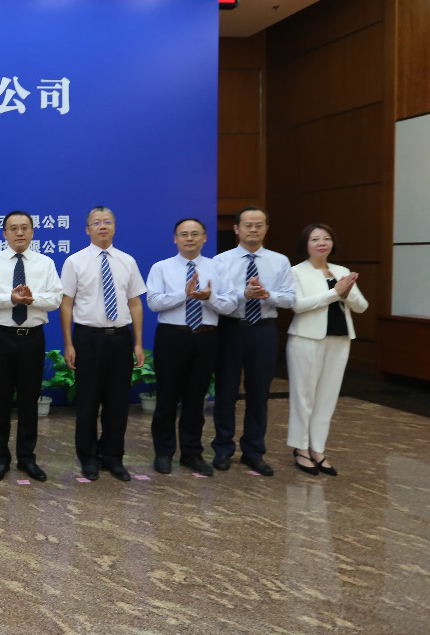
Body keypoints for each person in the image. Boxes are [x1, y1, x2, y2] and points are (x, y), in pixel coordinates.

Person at [60, 207, 146, 482]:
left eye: (107, 222)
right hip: (88, 338)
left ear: (114, 227)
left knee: (117, 402)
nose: (102, 226)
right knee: (88, 402)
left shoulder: (127, 261)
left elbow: (135, 302)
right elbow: (66, 304)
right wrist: (68, 343)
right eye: (96, 223)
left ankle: (113, 457)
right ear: (87, 229)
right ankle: (88, 458)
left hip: (120, 338)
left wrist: (138, 342)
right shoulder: (75, 261)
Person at [144, 218, 235, 477]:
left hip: (205, 337)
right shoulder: (161, 267)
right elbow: (153, 302)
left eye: (195, 234)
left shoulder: (218, 268)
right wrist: (184, 294)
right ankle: (163, 453)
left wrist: (210, 297)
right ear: (175, 239)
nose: (189, 239)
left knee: (196, 399)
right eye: (184, 234)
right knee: (167, 398)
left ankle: (191, 453)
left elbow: (230, 305)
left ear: (204, 237)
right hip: (172, 337)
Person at [0, 211, 64, 483]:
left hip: (32, 338)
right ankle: (0, 459)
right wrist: (11, 299)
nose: (19, 233)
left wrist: (32, 299)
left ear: (32, 232)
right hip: (1, 337)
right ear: (4, 233)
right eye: (13, 228)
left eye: (24, 228)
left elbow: (56, 299)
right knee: (1, 399)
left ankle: (27, 458)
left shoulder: (45, 263)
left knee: (29, 400)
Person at [211, 206, 296, 476]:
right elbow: (216, 297)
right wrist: (243, 294)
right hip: (230, 328)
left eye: (259, 225)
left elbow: (290, 299)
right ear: (236, 228)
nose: (253, 229)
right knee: (226, 391)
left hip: (263, 330)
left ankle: (254, 451)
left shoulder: (280, 261)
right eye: (248, 225)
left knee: (259, 393)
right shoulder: (221, 261)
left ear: (266, 229)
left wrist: (268, 295)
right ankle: (223, 448)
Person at [286, 224, 368, 477]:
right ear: (306, 244)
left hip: (340, 339)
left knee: (327, 397)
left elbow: (362, 306)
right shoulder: (296, 271)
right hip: (306, 339)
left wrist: (347, 292)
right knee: (304, 396)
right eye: (315, 239)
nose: (321, 243)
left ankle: (318, 449)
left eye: (326, 238)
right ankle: (300, 448)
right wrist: (334, 293)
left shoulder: (342, 271)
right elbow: (297, 305)